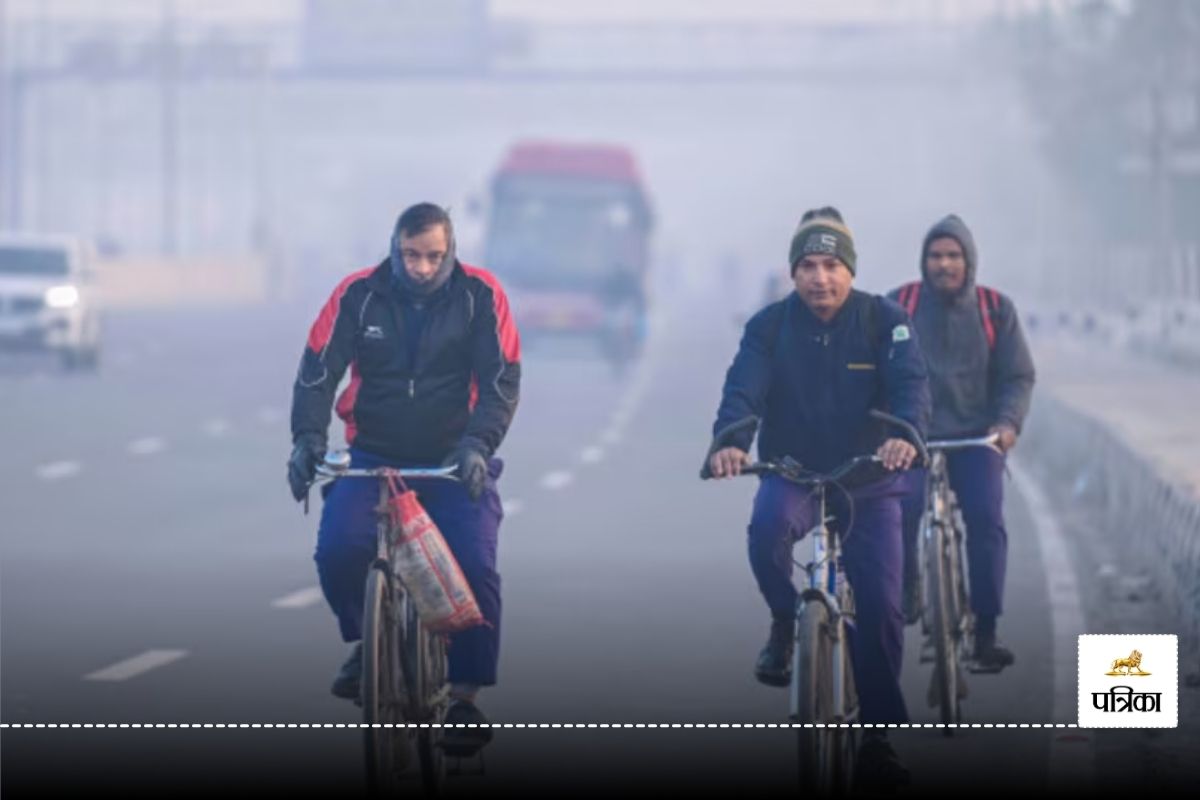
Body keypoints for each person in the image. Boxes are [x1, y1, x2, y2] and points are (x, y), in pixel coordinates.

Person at [707, 207, 930, 787]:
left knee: (882, 606)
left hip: (870, 480)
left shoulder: (885, 320)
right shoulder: (770, 326)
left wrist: (905, 438)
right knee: (765, 533)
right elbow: (743, 389)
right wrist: (730, 443)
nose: (820, 279)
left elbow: (911, 387)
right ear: (793, 271)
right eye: (808, 265)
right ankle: (786, 621)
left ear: (850, 270)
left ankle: (879, 740)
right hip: (794, 471)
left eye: (831, 265)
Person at [287, 202, 520, 753]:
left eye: (433, 257)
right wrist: (307, 440)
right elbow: (317, 370)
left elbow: (501, 382)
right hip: (374, 457)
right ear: (393, 249)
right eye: (411, 255)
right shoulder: (358, 294)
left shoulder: (480, 296)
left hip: (453, 459)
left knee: (475, 562)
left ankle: (463, 698)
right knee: (338, 550)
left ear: (451, 252)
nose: (420, 267)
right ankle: (368, 640)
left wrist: (477, 447)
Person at [889, 214, 1035, 671]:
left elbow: (1017, 376)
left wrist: (1007, 424)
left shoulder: (996, 310)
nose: (944, 265)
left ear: (968, 260)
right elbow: (878, 370)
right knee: (899, 510)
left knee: (987, 520)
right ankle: (909, 586)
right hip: (913, 438)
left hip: (978, 437)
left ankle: (987, 630)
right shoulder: (899, 307)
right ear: (923, 260)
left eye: (953, 256)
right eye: (936, 256)